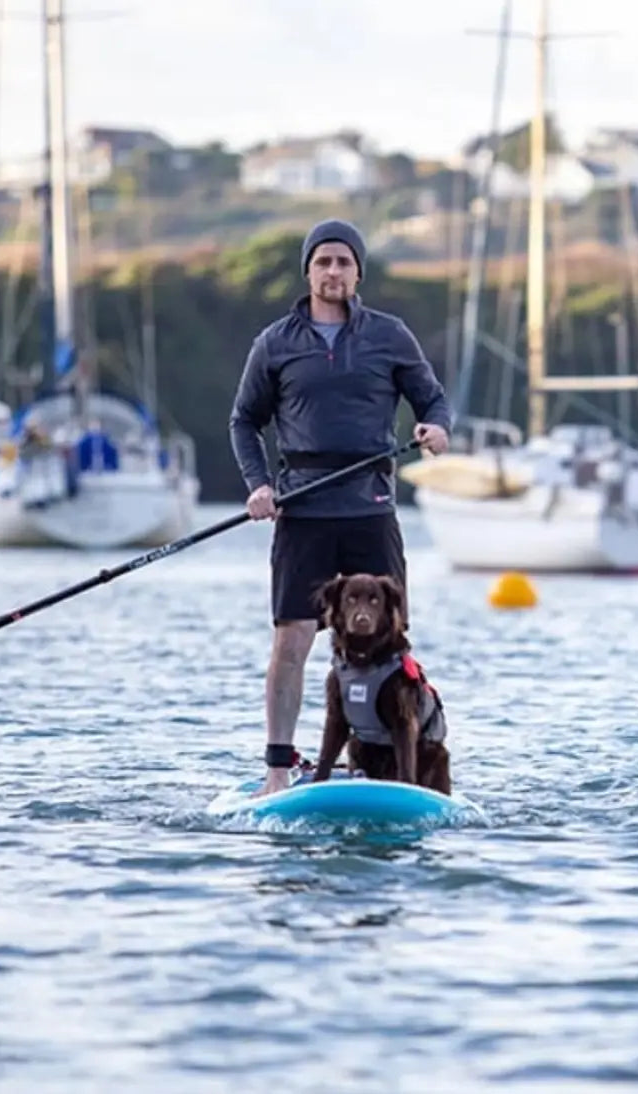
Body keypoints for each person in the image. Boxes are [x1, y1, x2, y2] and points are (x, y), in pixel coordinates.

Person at [228, 218, 452, 796]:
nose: (333, 272)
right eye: (323, 261)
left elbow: (431, 398)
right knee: (293, 640)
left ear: (357, 273)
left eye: (344, 263)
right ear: (308, 270)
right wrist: (259, 485)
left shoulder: (390, 335)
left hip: (370, 506)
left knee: (388, 642)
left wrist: (437, 428)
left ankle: (395, 765)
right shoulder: (274, 343)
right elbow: (244, 421)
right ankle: (278, 769)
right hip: (302, 509)